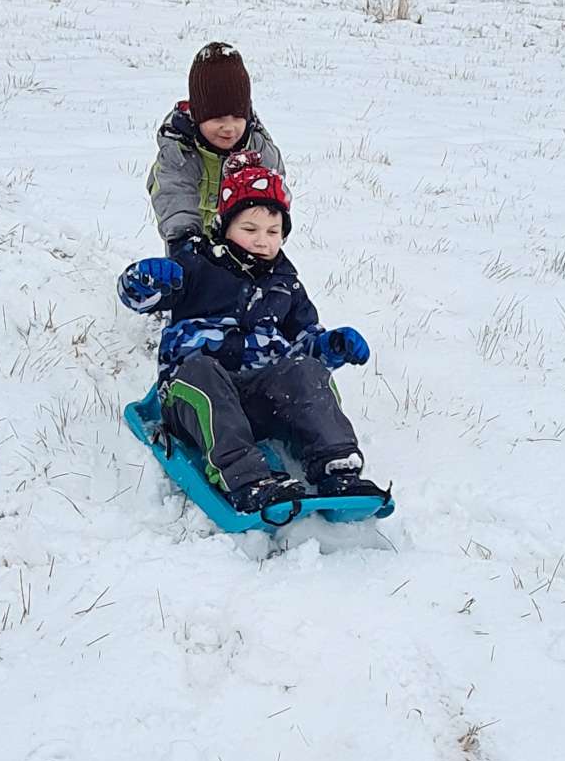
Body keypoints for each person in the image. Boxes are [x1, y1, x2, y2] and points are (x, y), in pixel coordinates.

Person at [118, 153, 382, 517]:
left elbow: (305, 348)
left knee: (304, 371)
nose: (262, 241)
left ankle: (336, 467)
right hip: (194, 399)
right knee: (202, 371)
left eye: (273, 232)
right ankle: (247, 478)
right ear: (225, 226)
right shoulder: (196, 265)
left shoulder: (286, 285)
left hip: (259, 400)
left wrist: (332, 347)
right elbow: (139, 298)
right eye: (250, 229)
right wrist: (144, 280)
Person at [147, 41, 285, 251]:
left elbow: (276, 195)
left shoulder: (257, 150)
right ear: (198, 116)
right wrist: (184, 240)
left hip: (244, 242)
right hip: (191, 240)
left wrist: (270, 231)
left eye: (237, 117)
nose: (229, 128)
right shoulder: (181, 151)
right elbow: (173, 194)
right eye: (217, 118)